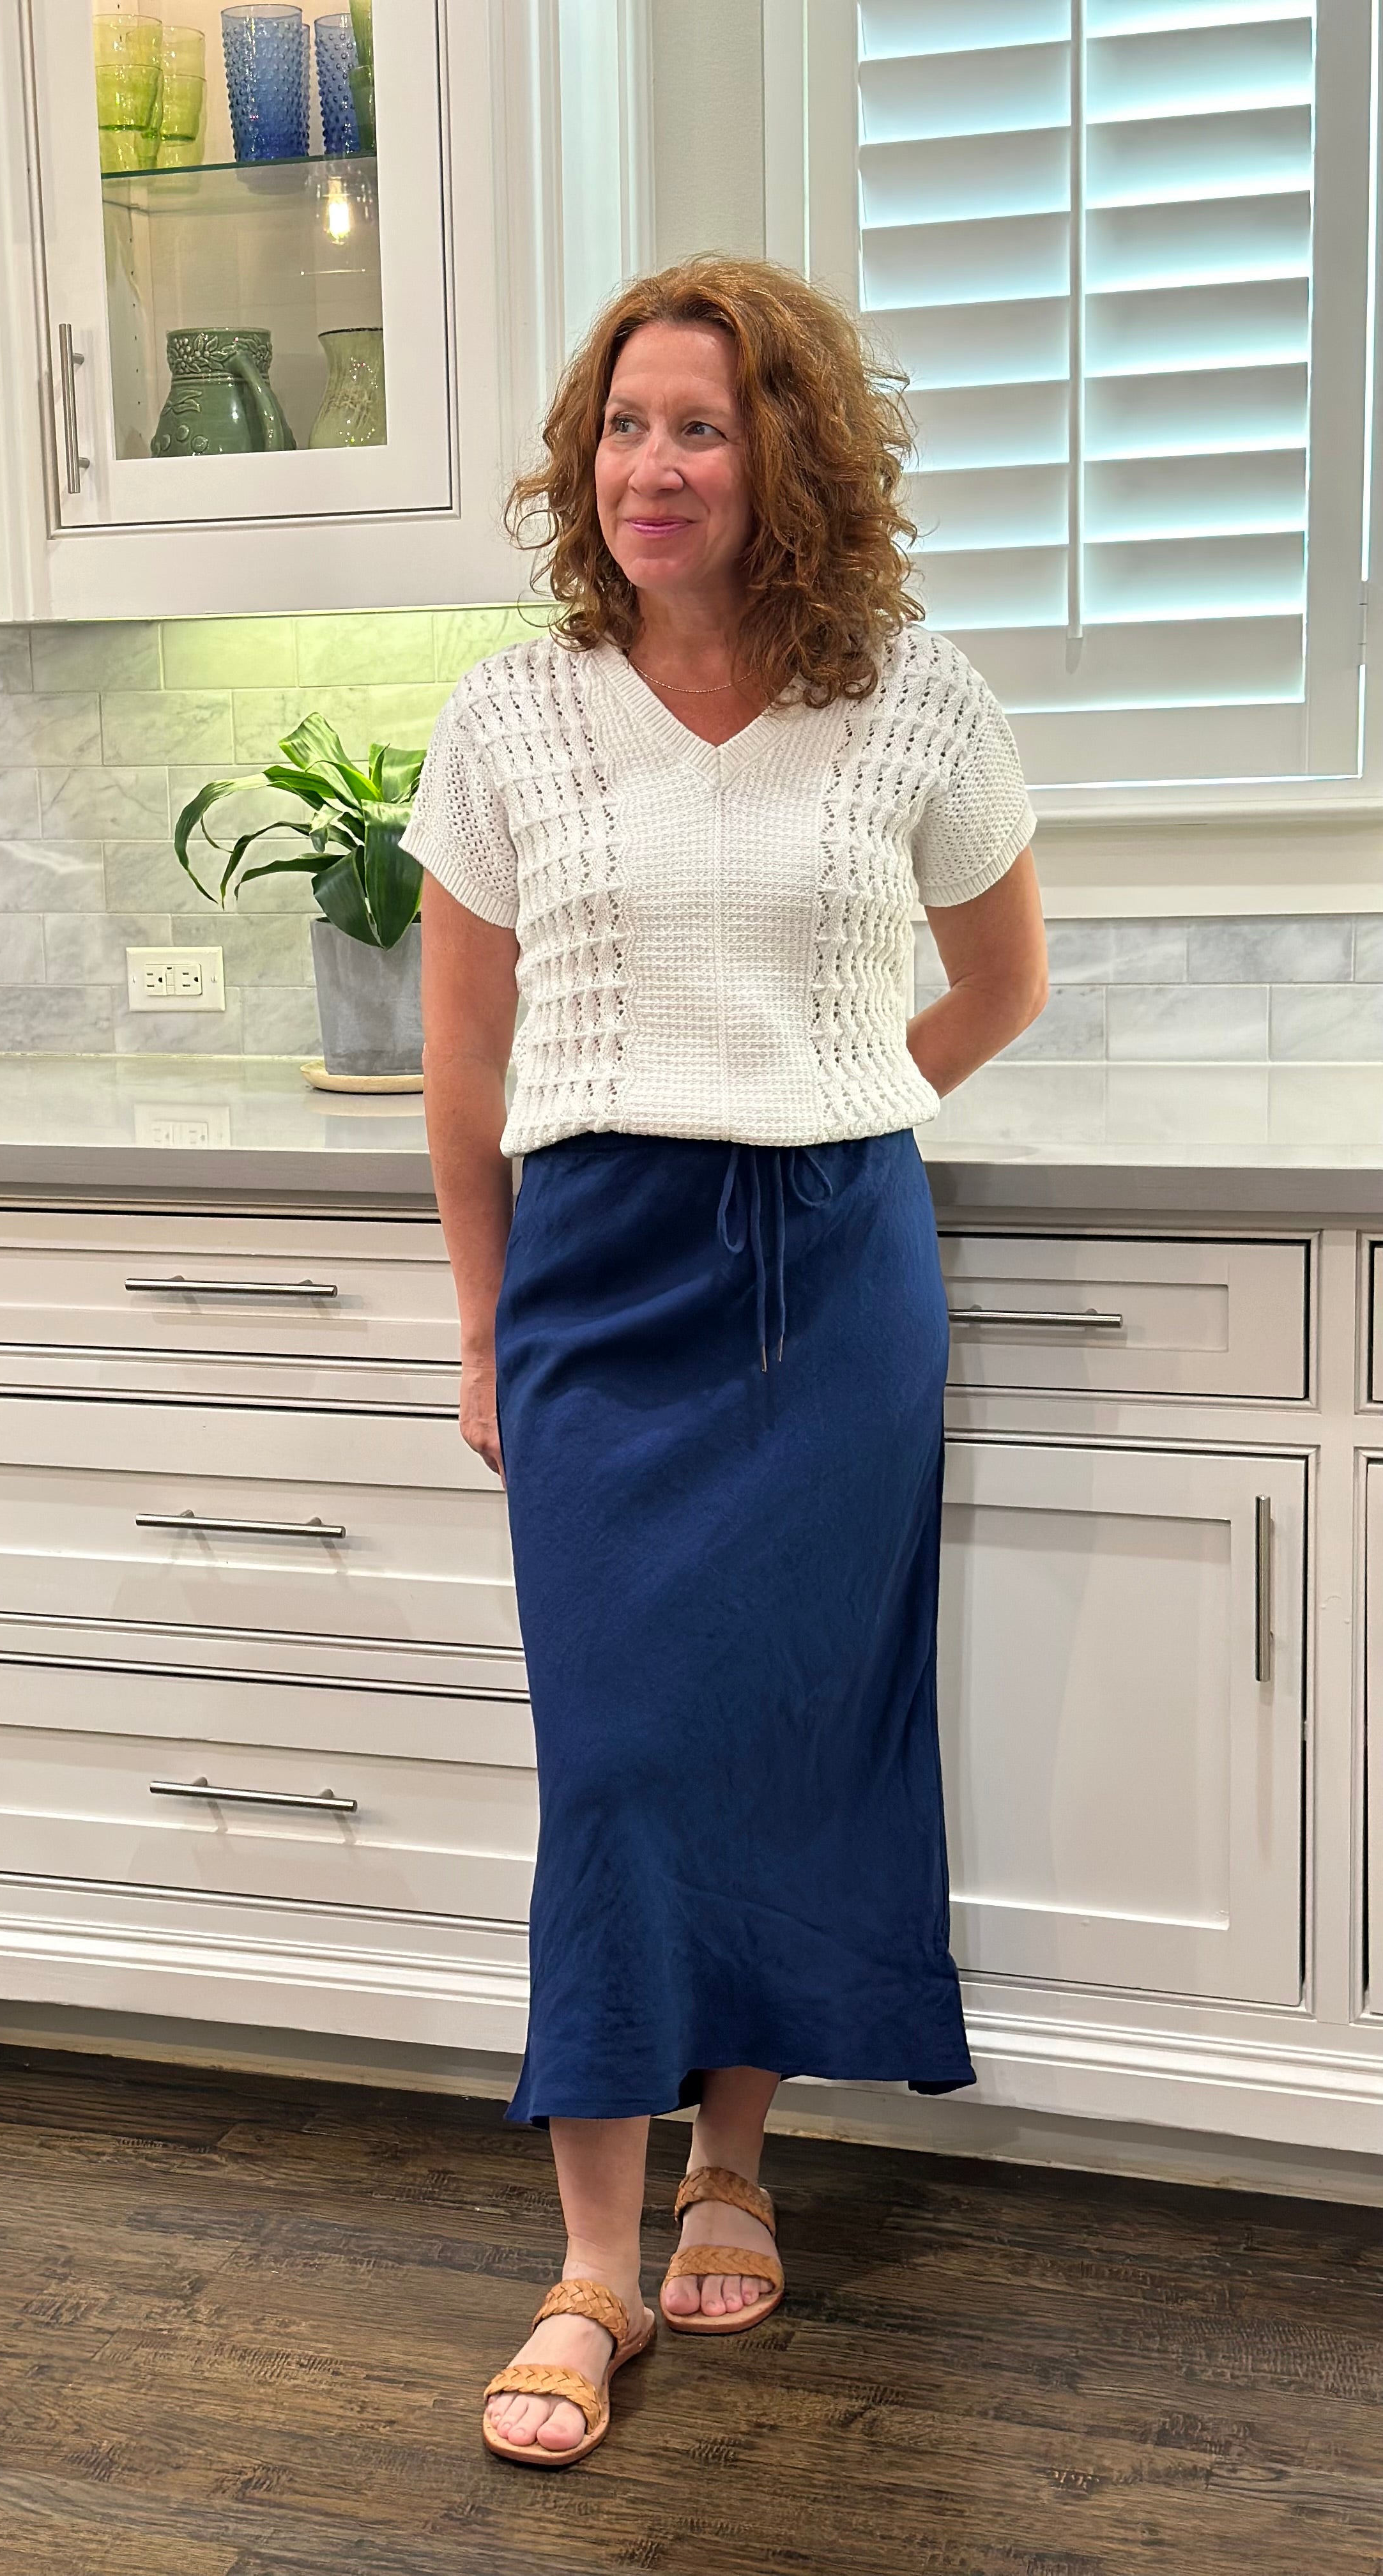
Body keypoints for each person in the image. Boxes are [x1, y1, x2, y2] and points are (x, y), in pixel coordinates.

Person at [403, 256, 1048, 2470]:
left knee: (782, 1737)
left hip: (834, 1279)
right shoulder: (511, 717)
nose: (653, 466)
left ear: (790, 458)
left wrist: (833, 1099)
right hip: (597, 1282)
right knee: (619, 1761)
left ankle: (733, 2169)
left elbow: (1002, 984)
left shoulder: (916, 700)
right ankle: (591, 2261)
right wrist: (483, 1324)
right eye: (624, 426)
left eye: (700, 425)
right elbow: (465, 1066)